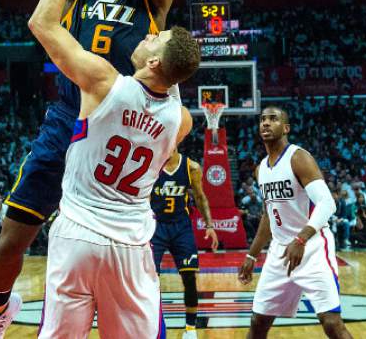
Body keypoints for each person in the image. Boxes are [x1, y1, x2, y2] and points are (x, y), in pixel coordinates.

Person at [0, 0, 174, 337]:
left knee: (123, 243)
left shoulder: (153, 0)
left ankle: (137, 314)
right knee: (11, 238)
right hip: (66, 117)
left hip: (121, 125)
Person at [23, 0, 198, 337]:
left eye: (154, 39)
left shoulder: (102, 83)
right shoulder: (180, 120)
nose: (147, 36)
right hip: (133, 244)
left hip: (79, 236)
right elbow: (169, 83)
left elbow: (42, 25)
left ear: (154, 62)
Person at [237, 107, 352, 339]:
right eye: (263, 120)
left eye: (273, 119)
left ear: (286, 128)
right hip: (280, 251)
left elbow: (328, 203)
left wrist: (301, 238)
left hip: (312, 247)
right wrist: (252, 255)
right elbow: (269, 215)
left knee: (331, 323)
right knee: (258, 322)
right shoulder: (261, 169)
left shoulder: (298, 157)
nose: (266, 124)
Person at [149, 149, 219, 339]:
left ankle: (190, 329)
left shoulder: (192, 167)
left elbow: (200, 197)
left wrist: (210, 226)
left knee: (189, 278)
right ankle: (152, 324)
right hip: (156, 227)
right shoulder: (151, 163)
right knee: (150, 281)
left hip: (181, 227)